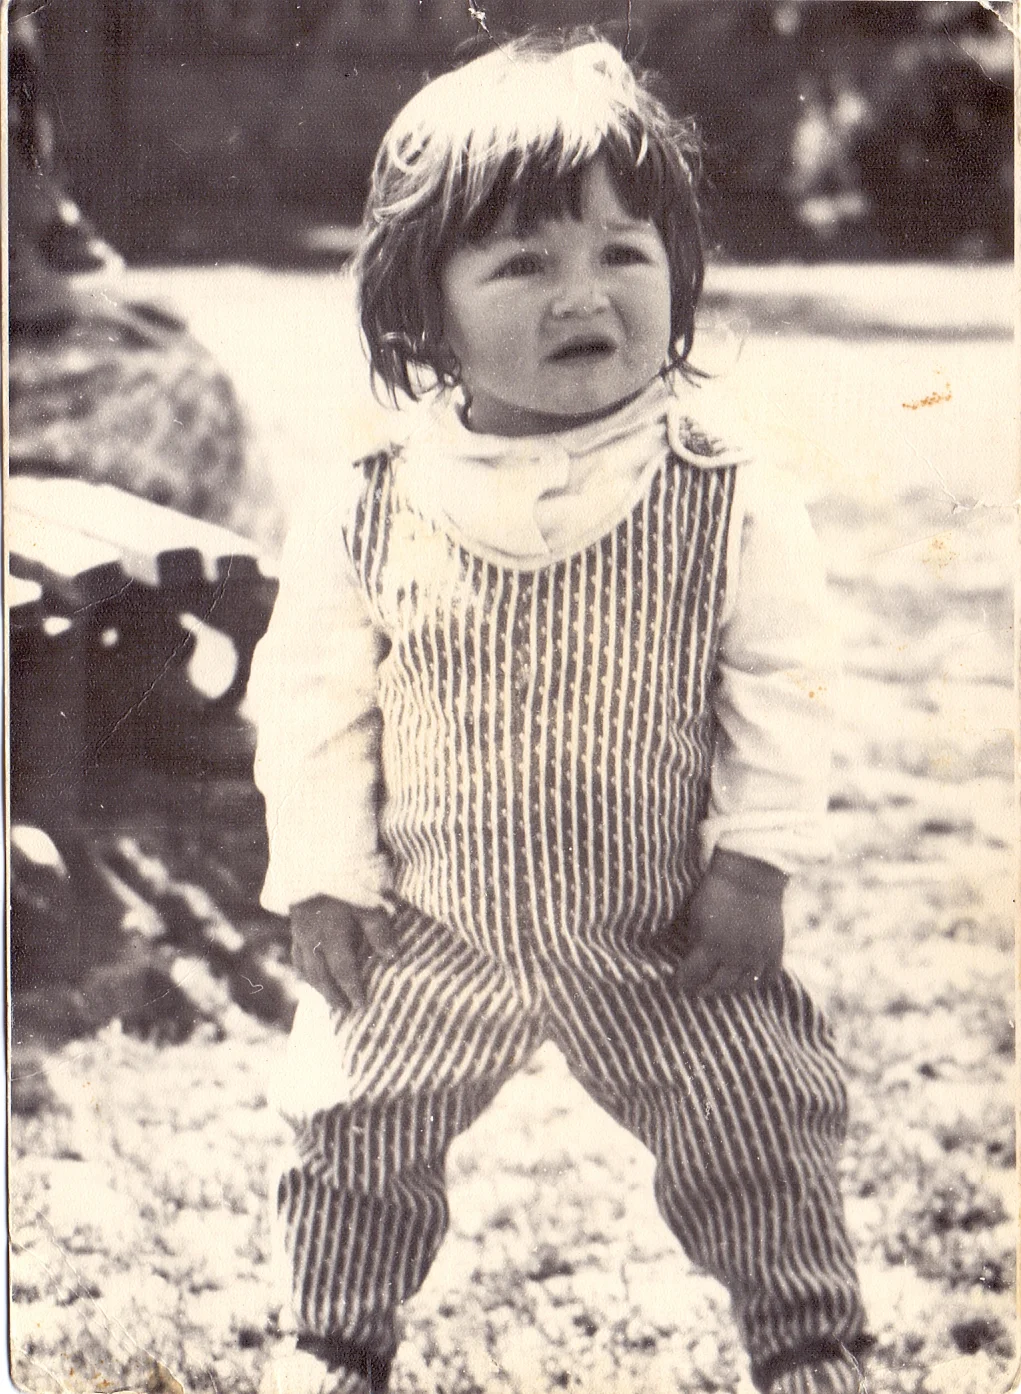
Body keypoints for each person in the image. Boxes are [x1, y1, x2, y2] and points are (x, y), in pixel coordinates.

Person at [249, 34, 871, 1394]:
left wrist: (755, 862)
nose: (584, 293)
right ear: (424, 310)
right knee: (348, 1122)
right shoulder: (371, 497)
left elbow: (787, 682)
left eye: (623, 252)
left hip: (661, 927)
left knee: (759, 1113)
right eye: (523, 263)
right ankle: (332, 1337)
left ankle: (809, 1341)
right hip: (432, 923)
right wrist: (322, 875)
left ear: (679, 274)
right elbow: (311, 696)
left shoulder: (722, 491)